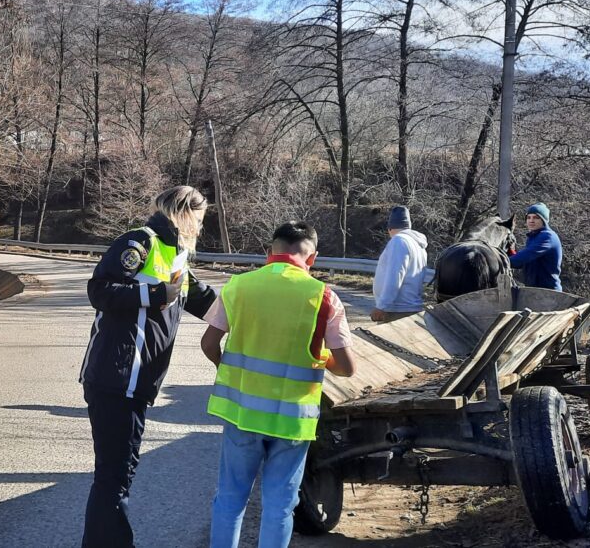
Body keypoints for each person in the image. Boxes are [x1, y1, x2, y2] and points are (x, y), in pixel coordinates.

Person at [200, 221, 357, 548]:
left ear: (269, 251)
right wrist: (321, 357)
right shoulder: (324, 297)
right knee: (279, 507)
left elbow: (209, 343)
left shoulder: (238, 286)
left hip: (242, 414)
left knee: (230, 500)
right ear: (311, 258)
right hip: (291, 421)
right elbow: (346, 368)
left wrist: (225, 367)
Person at [79, 185, 219, 547]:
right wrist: (155, 295)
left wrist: (246, 315)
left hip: (136, 381)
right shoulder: (139, 242)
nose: (201, 229)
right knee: (114, 478)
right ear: (184, 214)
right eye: (199, 220)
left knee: (116, 476)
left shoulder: (175, 254)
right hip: (117, 377)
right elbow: (99, 290)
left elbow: (200, 300)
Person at [371, 205, 428, 323]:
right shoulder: (418, 245)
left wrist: (382, 306)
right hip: (411, 307)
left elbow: (395, 276)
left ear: (390, 228)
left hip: (396, 310)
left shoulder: (398, 241)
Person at [509, 202, 563, 291]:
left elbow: (526, 256)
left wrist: (501, 259)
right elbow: (523, 262)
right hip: (534, 291)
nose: (531, 221)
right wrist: (511, 254)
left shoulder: (548, 236)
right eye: (528, 217)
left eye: (536, 217)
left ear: (544, 220)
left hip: (549, 293)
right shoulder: (533, 237)